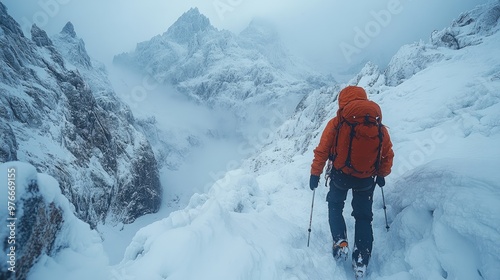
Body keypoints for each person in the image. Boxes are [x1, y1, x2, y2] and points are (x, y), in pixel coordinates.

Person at [309, 85, 394, 277]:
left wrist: (315, 173)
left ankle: (341, 242)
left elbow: (322, 149)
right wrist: (381, 174)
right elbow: (387, 154)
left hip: (341, 175)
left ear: (342, 101)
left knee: (335, 205)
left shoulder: (338, 122)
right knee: (363, 217)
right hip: (366, 179)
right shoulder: (378, 125)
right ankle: (361, 258)